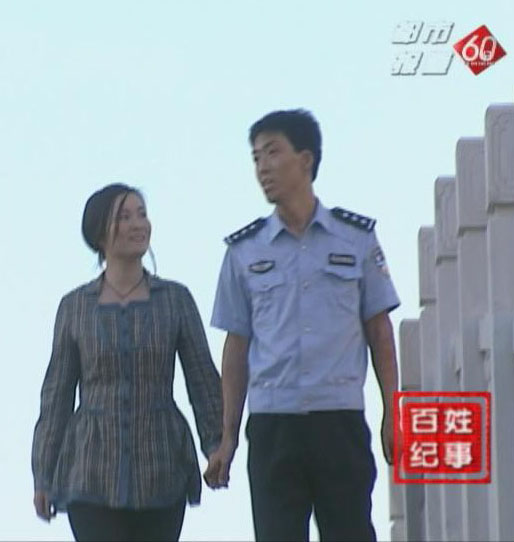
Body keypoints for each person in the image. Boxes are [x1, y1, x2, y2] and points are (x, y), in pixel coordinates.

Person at [204, 109, 400, 541]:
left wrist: (393, 411)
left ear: (306, 159)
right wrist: (227, 438)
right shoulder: (243, 251)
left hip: (339, 420)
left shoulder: (356, 239)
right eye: (256, 157)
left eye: (273, 153)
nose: (263, 167)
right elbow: (236, 347)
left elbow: (379, 331)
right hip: (273, 426)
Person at [32, 183, 222, 542]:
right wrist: (43, 475)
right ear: (99, 233)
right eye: (124, 217)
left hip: (162, 468)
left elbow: (202, 378)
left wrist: (216, 445)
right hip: (90, 471)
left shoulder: (175, 299)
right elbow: (56, 395)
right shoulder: (75, 307)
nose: (138, 224)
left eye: (142, 215)